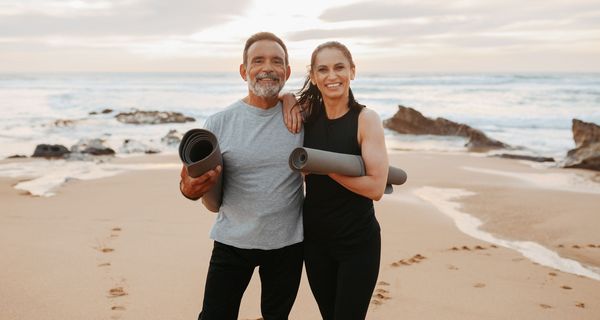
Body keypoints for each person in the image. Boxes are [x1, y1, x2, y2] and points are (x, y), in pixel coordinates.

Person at [179, 32, 304, 320]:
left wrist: (290, 98)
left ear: (287, 71)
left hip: (288, 245)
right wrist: (190, 188)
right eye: (257, 60)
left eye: (276, 61)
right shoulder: (219, 122)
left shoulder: (300, 119)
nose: (267, 68)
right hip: (232, 242)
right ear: (243, 70)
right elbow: (187, 183)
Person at [290, 41, 389, 320]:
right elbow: (281, 104)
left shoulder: (366, 119)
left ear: (352, 72)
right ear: (313, 76)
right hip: (315, 242)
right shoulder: (306, 116)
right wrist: (288, 98)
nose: (331, 76)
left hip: (357, 242)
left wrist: (326, 168)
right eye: (322, 69)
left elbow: (376, 188)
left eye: (339, 67)